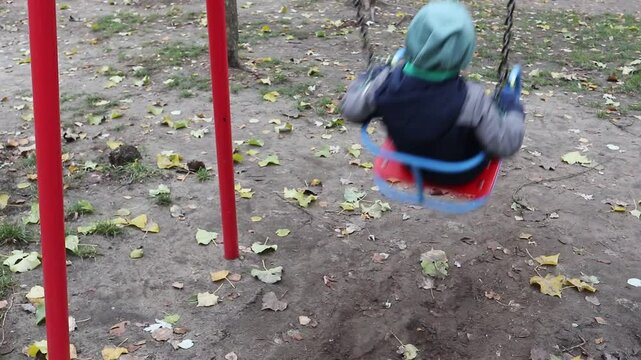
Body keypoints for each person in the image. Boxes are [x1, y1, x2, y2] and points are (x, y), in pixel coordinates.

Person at [341, 0, 525, 185]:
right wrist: (512, 107)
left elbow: (351, 109)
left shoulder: (384, 84)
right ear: (465, 52)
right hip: (460, 174)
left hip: (411, 166)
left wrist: (370, 77)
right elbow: (506, 144)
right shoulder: (472, 100)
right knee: (489, 133)